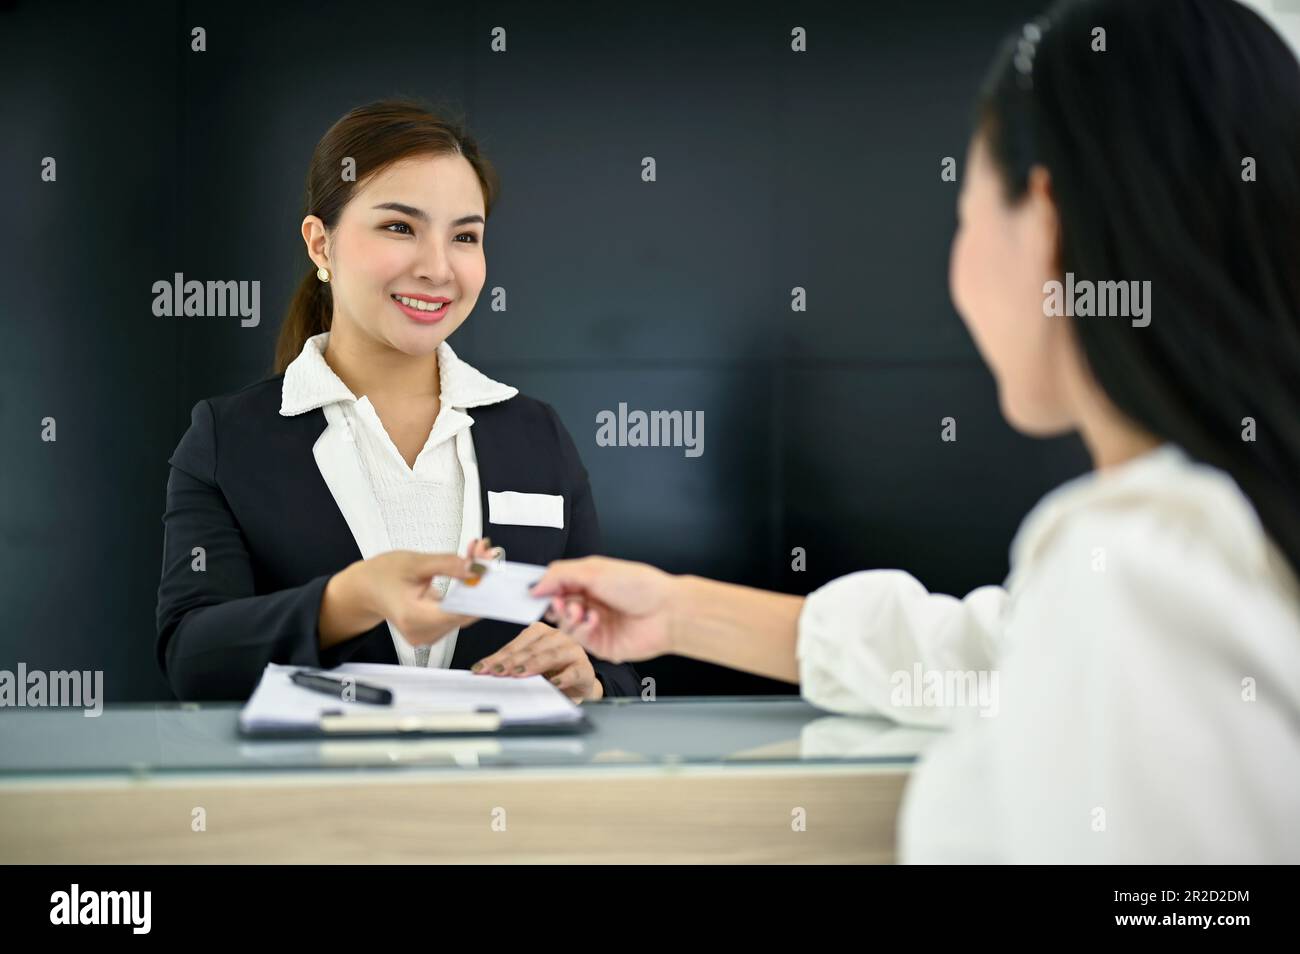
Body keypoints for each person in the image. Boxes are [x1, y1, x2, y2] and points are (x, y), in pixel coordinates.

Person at [508, 0, 1300, 861]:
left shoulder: (1132, 575)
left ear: (1043, 221)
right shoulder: (1208, 546)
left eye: (965, 213)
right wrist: (678, 611)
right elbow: (976, 655)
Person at [155, 100, 638, 703]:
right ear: (320, 245)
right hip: (320, 794)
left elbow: (613, 660)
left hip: (507, 792)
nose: (438, 269)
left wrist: (587, 674)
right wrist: (352, 598)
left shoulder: (534, 432)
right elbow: (193, 657)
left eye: (465, 236)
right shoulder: (230, 437)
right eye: (399, 227)